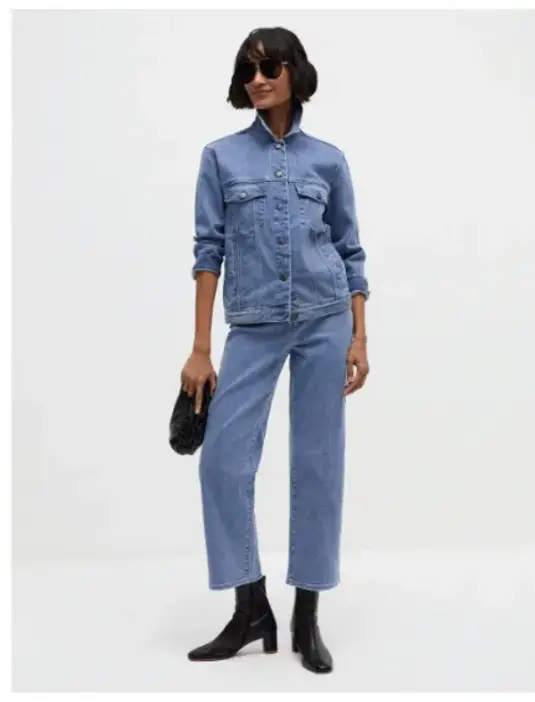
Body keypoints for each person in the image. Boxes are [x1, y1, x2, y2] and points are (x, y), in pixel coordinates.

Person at [180, 26, 370, 675]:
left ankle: (306, 616)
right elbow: (208, 250)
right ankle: (250, 606)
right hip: (254, 323)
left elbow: (349, 250)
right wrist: (200, 348)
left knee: (318, 465)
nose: (257, 80)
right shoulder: (220, 158)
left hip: (325, 320)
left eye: (270, 68)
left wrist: (359, 335)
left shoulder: (329, 161)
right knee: (221, 464)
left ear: (295, 73)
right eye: (248, 70)